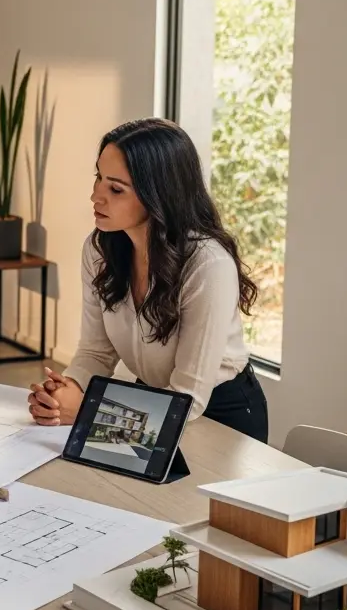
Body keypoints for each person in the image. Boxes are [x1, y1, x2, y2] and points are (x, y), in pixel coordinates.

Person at [26, 118, 269, 443]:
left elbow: (188, 402)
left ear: (158, 196)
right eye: (99, 177)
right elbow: (96, 352)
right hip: (152, 400)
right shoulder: (100, 249)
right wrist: (65, 392)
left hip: (218, 415)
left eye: (115, 189)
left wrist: (86, 410)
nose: (95, 196)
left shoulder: (208, 265)